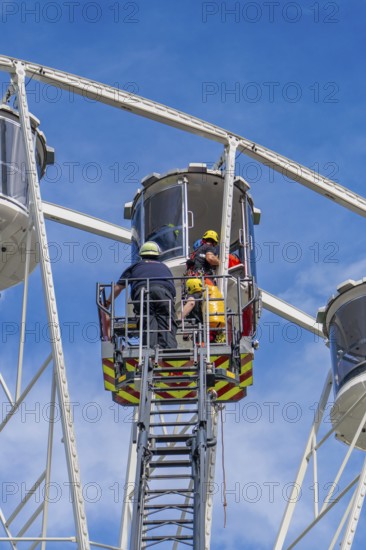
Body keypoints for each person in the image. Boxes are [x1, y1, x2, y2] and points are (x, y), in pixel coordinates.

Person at [107, 241, 177, 349]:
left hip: (143, 294)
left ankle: (149, 351)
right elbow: (172, 289)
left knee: (147, 323)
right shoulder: (164, 267)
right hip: (164, 294)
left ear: (141, 255)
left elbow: (118, 287)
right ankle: (169, 350)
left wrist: (107, 303)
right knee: (167, 323)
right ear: (158, 255)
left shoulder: (135, 266)